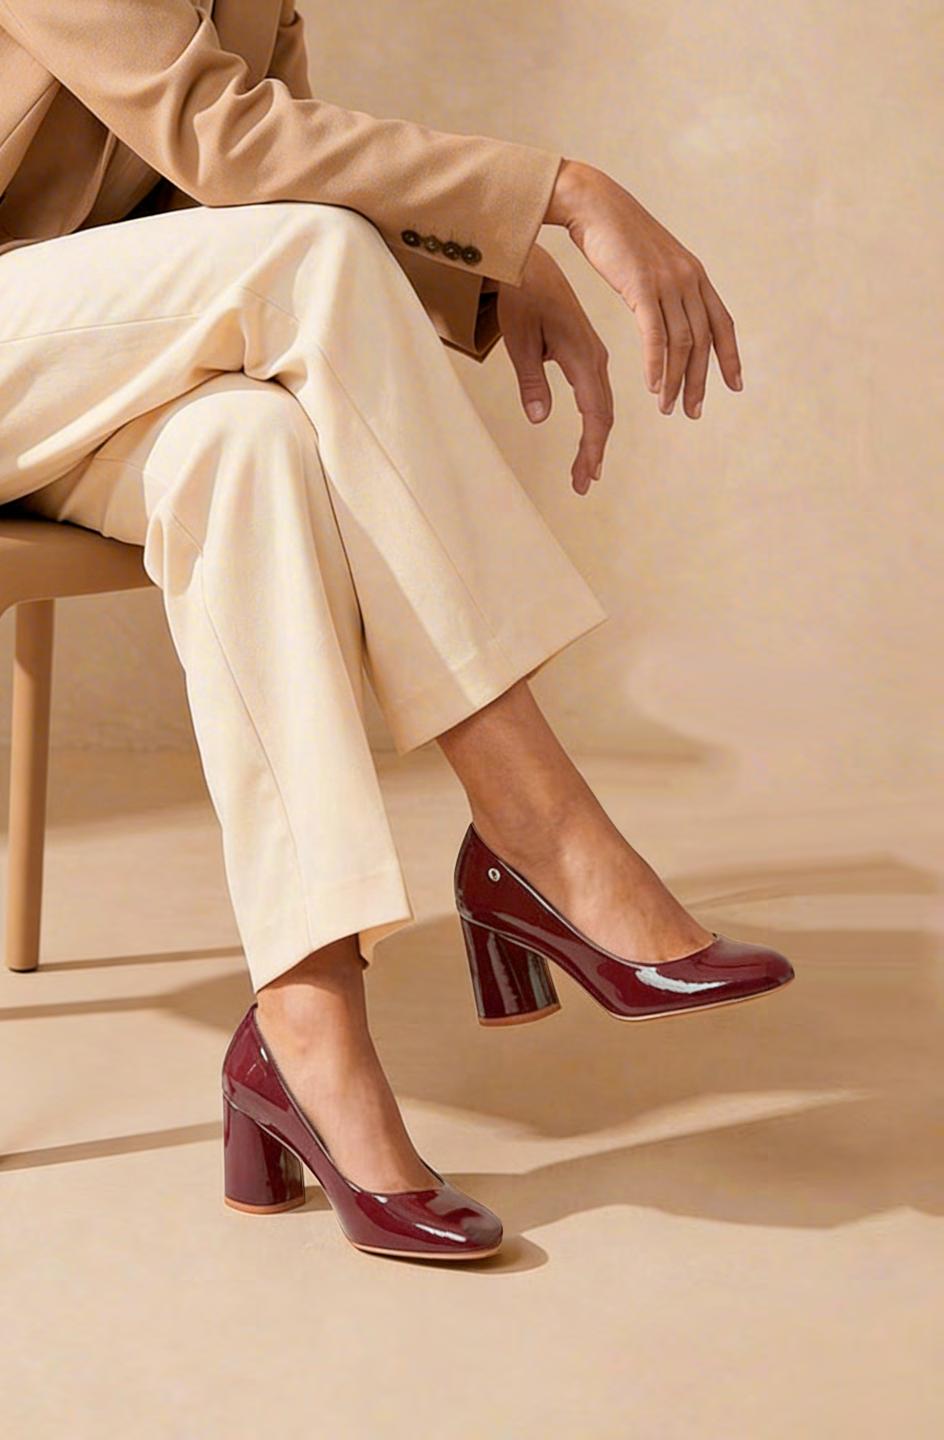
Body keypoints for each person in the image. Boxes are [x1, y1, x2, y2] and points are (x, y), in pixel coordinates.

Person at [0, 0, 794, 1260]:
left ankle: (303, 1026)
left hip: (61, 372)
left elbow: (248, 192)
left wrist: (487, 271)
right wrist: (561, 195)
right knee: (310, 258)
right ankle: (538, 829)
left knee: (248, 447)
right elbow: (227, 143)